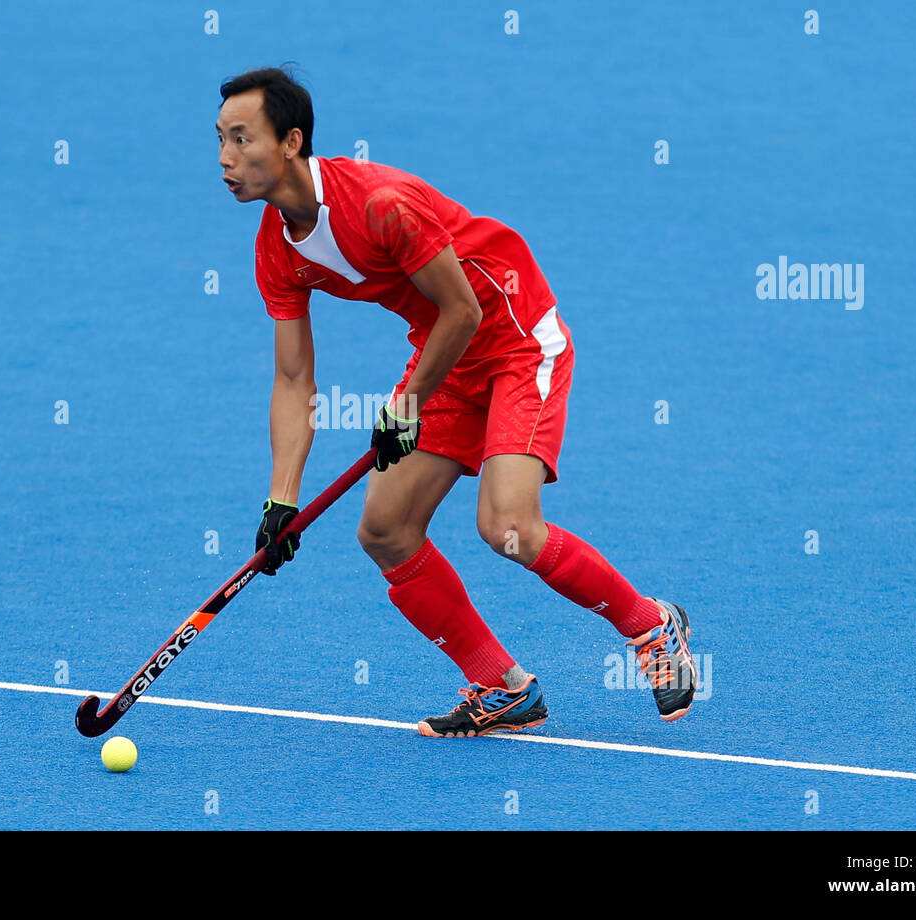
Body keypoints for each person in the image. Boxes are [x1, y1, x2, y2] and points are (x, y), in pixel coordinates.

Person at [218, 66, 697, 737]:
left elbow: (464, 308)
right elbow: (294, 380)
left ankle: (651, 627)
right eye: (220, 141)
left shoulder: (380, 204)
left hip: (514, 333)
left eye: (242, 140)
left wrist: (407, 404)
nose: (225, 160)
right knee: (385, 529)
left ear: (292, 141)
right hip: (447, 352)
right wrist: (281, 501)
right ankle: (504, 688)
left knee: (508, 526)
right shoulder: (276, 249)